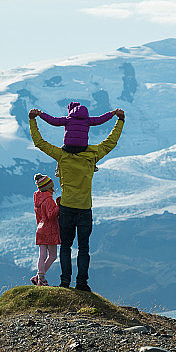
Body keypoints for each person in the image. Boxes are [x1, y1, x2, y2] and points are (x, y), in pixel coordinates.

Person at [28, 107, 125, 291]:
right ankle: (82, 283)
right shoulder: (92, 154)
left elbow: (40, 142)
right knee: (84, 248)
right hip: (84, 208)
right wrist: (120, 121)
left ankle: (65, 282)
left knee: (65, 247)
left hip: (66, 208)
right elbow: (111, 142)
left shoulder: (62, 155)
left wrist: (33, 120)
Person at [37, 102, 116, 175]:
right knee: (91, 150)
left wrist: (41, 114)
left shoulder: (68, 120)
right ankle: (93, 165)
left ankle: (58, 169)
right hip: (82, 147)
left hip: (69, 147)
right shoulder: (88, 120)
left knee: (60, 154)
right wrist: (112, 113)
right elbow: (101, 119)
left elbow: (53, 121)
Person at [31, 173, 60, 286]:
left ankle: (38, 278)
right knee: (52, 256)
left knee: (42, 255)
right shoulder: (49, 200)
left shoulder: (37, 200)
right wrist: (59, 205)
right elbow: (51, 215)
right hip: (50, 230)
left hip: (40, 229)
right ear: (48, 187)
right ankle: (40, 278)